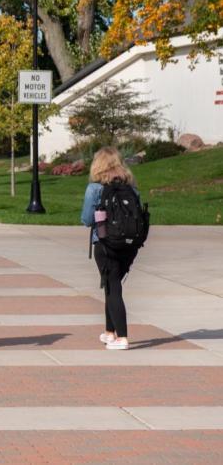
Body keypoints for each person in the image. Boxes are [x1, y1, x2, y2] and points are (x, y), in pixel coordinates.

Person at [80, 147, 144, 351]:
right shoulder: (131, 187)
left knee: (113, 287)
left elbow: (87, 219)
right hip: (129, 245)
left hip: (105, 244)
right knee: (111, 284)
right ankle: (110, 332)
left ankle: (122, 337)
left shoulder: (95, 188)